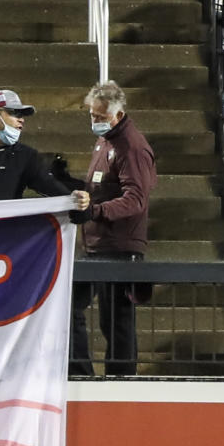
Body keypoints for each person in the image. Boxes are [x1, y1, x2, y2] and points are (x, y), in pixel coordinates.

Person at [69, 81, 157, 377]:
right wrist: (68, 183)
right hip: (98, 244)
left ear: (118, 115)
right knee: (72, 307)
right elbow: (101, 187)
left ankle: (122, 381)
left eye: (101, 117)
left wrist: (96, 211)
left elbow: (135, 200)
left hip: (120, 246)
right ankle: (81, 373)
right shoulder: (105, 141)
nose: (95, 121)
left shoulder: (131, 147)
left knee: (116, 319)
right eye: (92, 115)